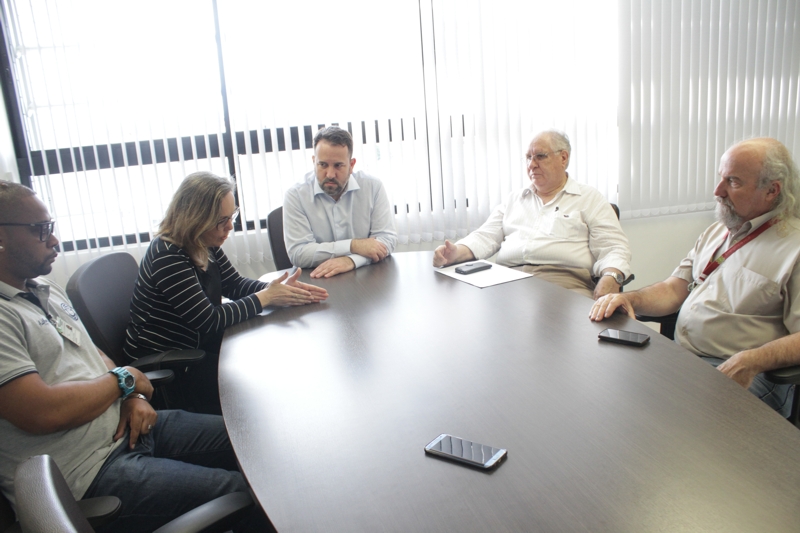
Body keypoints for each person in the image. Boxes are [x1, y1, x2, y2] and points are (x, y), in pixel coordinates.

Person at [0, 180, 271, 533]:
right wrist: (124, 379)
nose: (53, 240)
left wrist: (132, 394)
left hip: (128, 424)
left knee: (256, 439)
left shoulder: (41, 288)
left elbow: (94, 355)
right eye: (40, 230)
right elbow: (42, 412)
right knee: (244, 491)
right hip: (90, 471)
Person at [589, 138, 800, 417]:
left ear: (772, 190)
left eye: (733, 182)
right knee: (605, 388)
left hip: (745, 373)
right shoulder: (718, 231)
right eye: (721, 178)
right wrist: (629, 298)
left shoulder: (794, 248)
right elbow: (673, 289)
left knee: (654, 418)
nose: (718, 191)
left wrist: (752, 360)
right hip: (687, 360)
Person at [124, 172, 328, 414]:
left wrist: (277, 290)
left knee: (271, 361)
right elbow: (208, 320)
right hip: (173, 364)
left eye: (231, 217)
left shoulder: (203, 242)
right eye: (221, 221)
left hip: (200, 345)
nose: (230, 227)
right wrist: (266, 297)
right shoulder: (167, 255)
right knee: (259, 386)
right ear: (196, 219)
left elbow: (235, 284)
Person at [433, 130, 631, 299]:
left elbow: (614, 247)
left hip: (564, 287)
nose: (532, 164)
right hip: (507, 284)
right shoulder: (515, 199)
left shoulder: (589, 198)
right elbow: (485, 237)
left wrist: (612, 276)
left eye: (540, 156)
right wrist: (456, 253)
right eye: (528, 157)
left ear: (563, 158)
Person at [283, 126, 398, 278]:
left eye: (338, 165)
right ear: (314, 161)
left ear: (351, 165)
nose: (330, 174)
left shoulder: (373, 187)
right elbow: (298, 254)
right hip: (315, 280)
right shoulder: (296, 195)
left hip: (366, 279)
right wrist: (354, 245)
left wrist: (351, 260)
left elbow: (386, 240)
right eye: (323, 165)